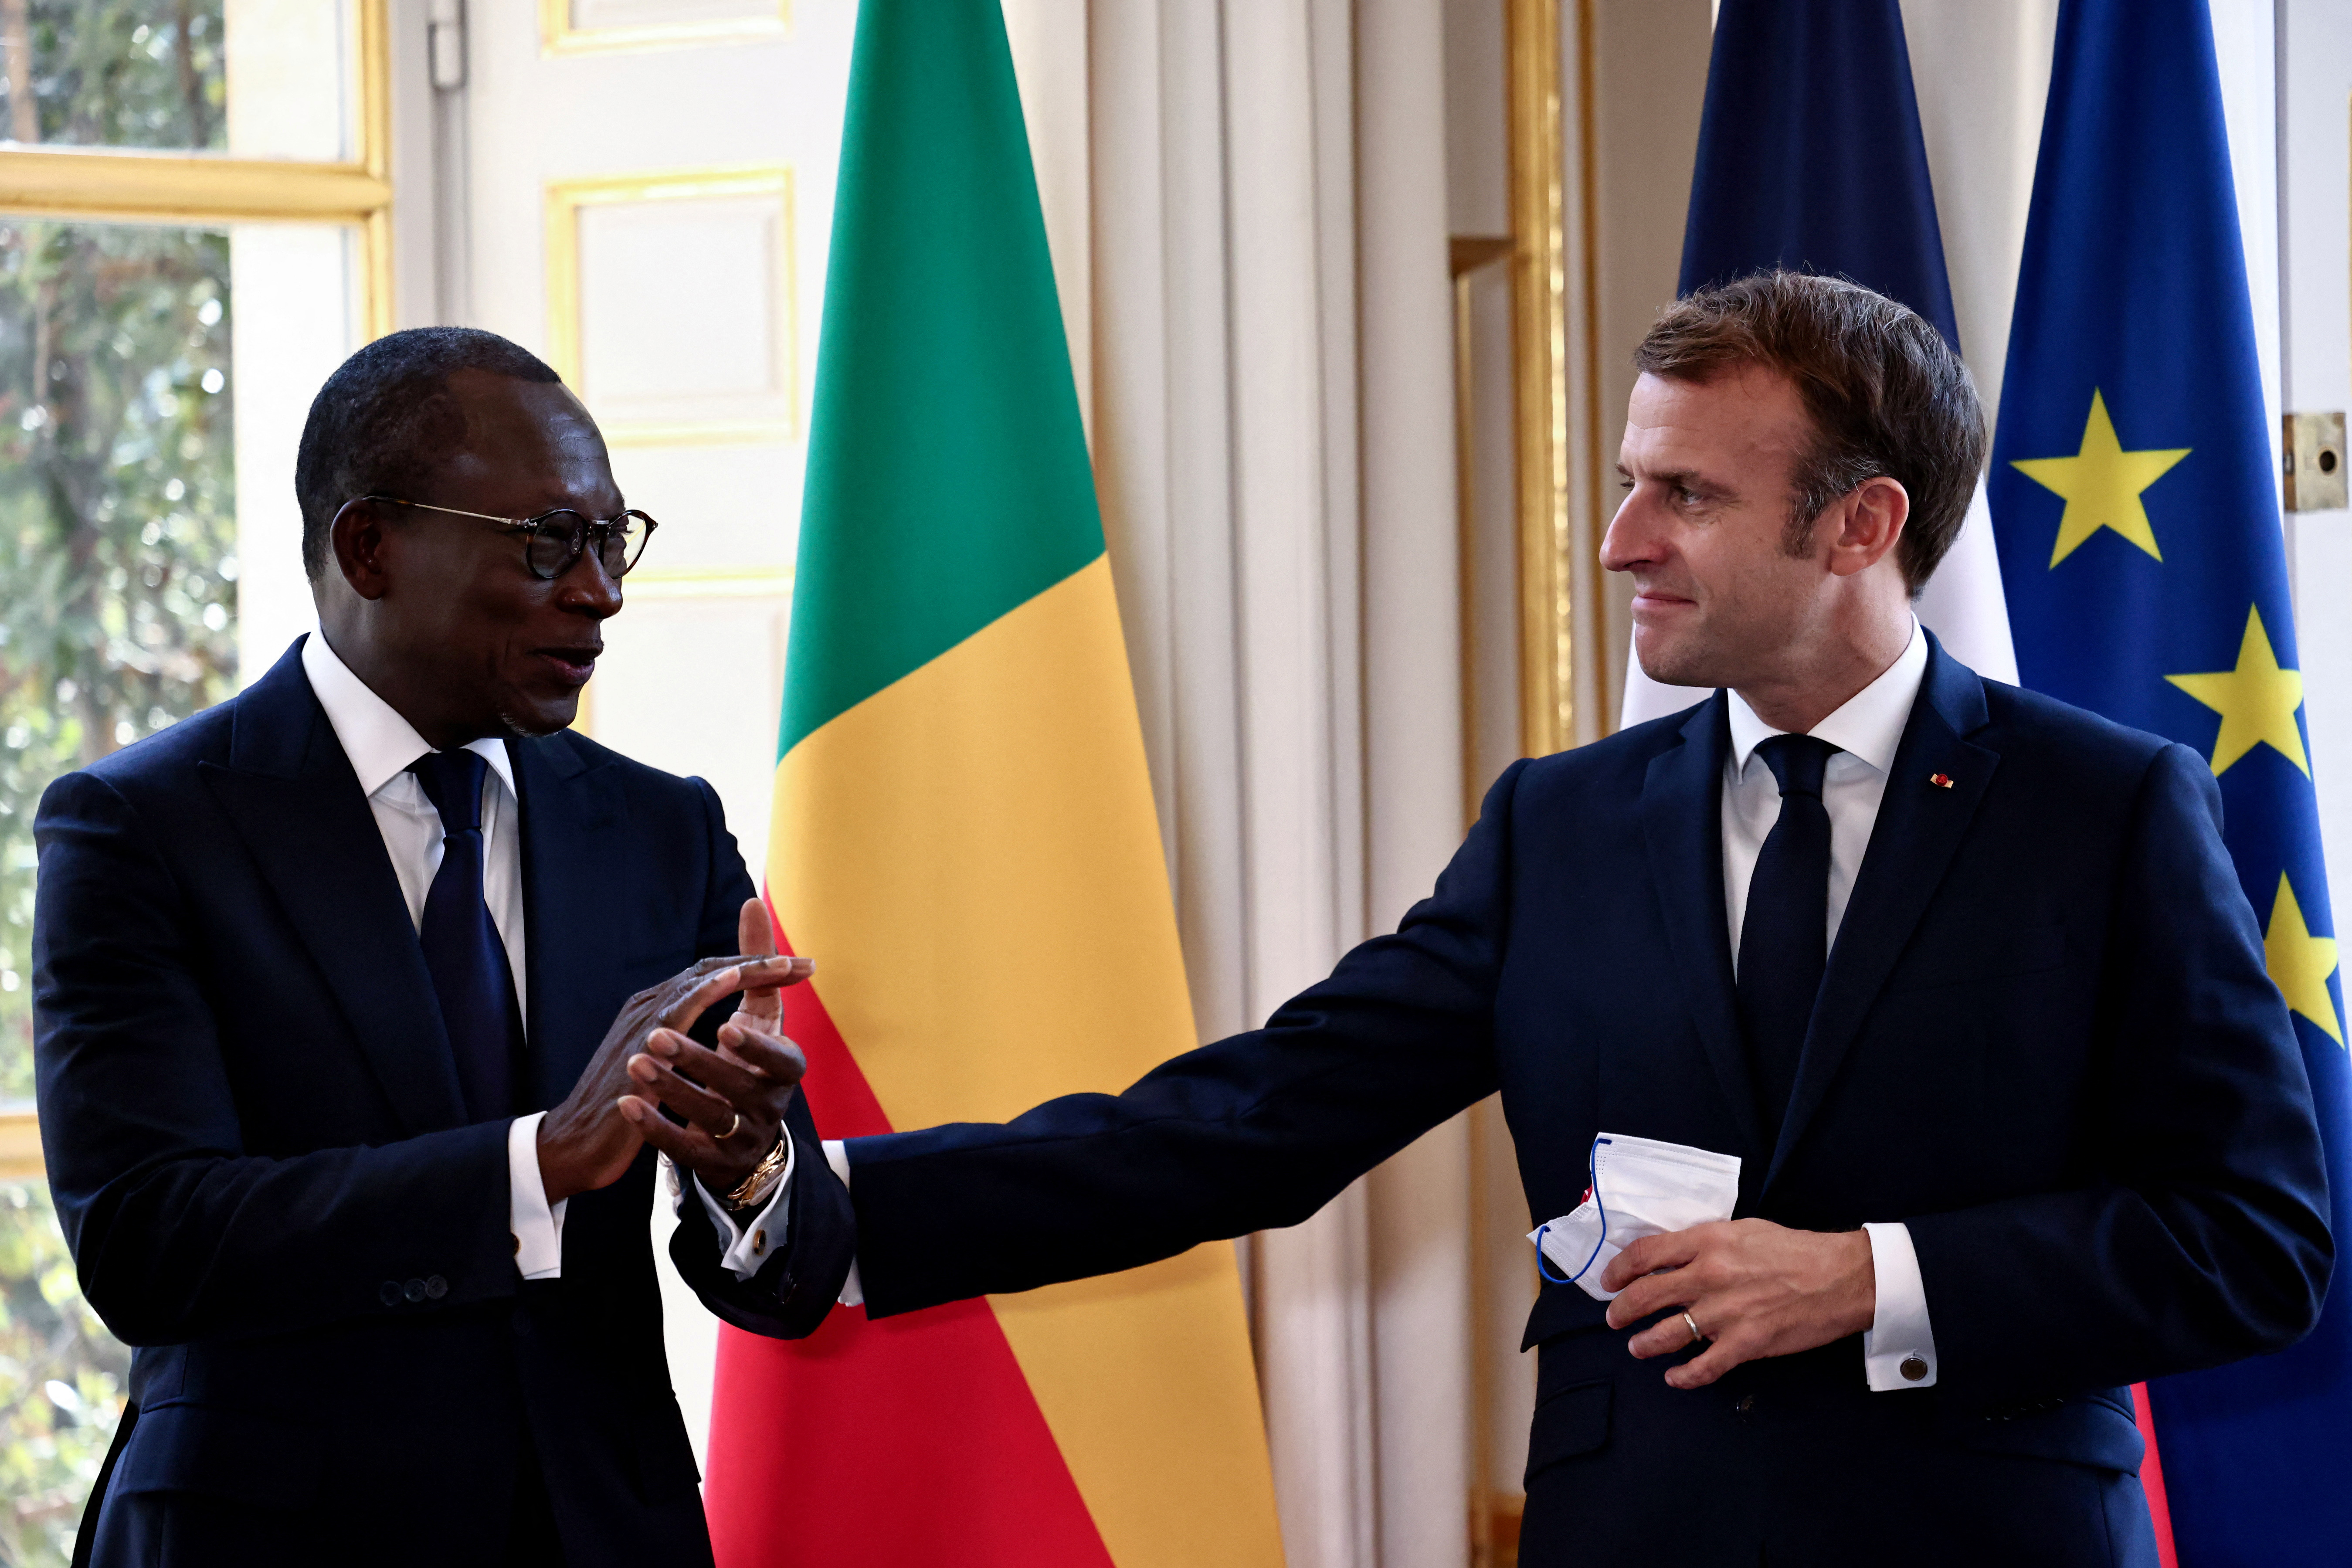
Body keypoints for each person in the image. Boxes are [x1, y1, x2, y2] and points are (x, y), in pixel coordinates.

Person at [780, 273, 2330, 1565]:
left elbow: (2256, 1239)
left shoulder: (2105, 810)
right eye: (1628, 483)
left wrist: (1872, 1277)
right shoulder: (1560, 825)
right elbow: (1257, 1117)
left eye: (1687, 495)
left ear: (1860, 525)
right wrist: (828, 1202)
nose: (1622, 541)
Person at [32, 328, 855, 1568]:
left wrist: (748, 1169)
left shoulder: (662, 827)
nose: (601, 591)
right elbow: (152, 1241)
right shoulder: (143, 825)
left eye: (611, 538)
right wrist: (538, 1163)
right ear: (372, 546)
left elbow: (778, 1271)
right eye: (547, 544)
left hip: (603, 1533)